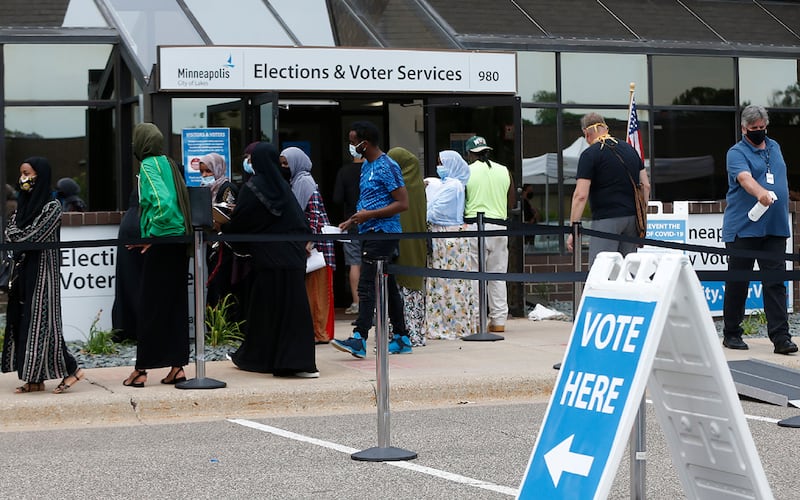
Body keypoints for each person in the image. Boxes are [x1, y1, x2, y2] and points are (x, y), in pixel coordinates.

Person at [219, 142, 318, 377]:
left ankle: (259, 359)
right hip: (292, 259)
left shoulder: (253, 188)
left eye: (252, 160)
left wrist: (223, 224)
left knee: (264, 312)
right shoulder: (284, 187)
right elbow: (299, 223)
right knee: (293, 310)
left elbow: (242, 223)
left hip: (268, 260)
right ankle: (297, 363)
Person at [2, 157, 85, 394]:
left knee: (43, 324)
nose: (23, 179)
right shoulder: (22, 206)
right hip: (23, 270)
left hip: (43, 271)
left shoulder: (52, 206)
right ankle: (35, 378)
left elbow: (32, 236)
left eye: (27, 173)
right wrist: (19, 236)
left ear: (40, 175)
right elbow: (10, 232)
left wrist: (19, 236)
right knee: (23, 322)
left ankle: (73, 370)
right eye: (21, 174)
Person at [331, 121, 411, 357]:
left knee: (366, 285)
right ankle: (402, 336)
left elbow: (402, 203)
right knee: (388, 286)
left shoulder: (387, 166)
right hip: (368, 230)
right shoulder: (367, 165)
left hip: (383, 232)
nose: (351, 146)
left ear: (364, 144)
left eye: (354, 142)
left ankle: (359, 337)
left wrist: (370, 215)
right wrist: (354, 220)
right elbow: (369, 200)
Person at [721, 105, 797, 354]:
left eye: (762, 128)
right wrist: (760, 193)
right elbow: (745, 179)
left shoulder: (775, 147)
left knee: (775, 283)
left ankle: (781, 338)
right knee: (738, 282)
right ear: (744, 129)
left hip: (774, 228)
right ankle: (732, 333)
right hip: (744, 228)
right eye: (754, 129)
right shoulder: (736, 152)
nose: (758, 132)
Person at [123, 123, 192, 388]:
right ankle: (177, 367)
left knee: (150, 307)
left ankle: (141, 371)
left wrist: (154, 236)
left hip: (164, 242)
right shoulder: (169, 163)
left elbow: (163, 203)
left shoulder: (149, 165)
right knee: (174, 305)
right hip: (177, 243)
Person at [566, 113, 650, 264]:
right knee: (627, 272)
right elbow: (646, 186)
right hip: (632, 220)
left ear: (586, 133)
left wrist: (573, 228)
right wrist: (641, 218)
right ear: (605, 128)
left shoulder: (590, 154)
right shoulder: (630, 149)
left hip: (606, 219)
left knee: (601, 270)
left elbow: (580, 195)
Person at [280, 146, 336, 344]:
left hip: (315, 247)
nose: (284, 167)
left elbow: (314, 215)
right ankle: (316, 332)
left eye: (286, 163)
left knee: (317, 292)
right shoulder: (296, 182)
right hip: (309, 244)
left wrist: (309, 242)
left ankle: (320, 333)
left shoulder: (304, 181)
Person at [464, 135, 514, 333]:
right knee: (498, 275)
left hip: (475, 226)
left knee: (476, 277)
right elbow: (510, 202)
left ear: (469, 153)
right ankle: (499, 320)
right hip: (499, 226)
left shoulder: (466, 171)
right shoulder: (504, 171)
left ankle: (478, 320)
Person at [425, 150, 477, 340]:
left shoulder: (454, 186)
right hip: (442, 238)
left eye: (443, 163)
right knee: (442, 283)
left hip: (448, 239)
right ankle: (442, 322)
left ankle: (452, 325)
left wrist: (428, 196)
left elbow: (433, 212)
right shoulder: (447, 184)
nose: (440, 167)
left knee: (450, 284)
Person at [387, 147, 427, 347]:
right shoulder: (419, 185)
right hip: (417, 246)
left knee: (395, 290)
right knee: (414, 291)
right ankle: (415, 333)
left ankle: (397, 333)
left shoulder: (395, 188)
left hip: (398, 244)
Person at [198, 152, 239, 310]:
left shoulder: (227, 188)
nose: (205, 175)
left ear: (218, 169)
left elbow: (229, 217)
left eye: (208, 171)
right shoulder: (206, 191)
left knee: (221, 286)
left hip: (224, 248)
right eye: (202, 172)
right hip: (212, 244)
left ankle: (225, 328)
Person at [333, 149, 363, 315]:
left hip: (350, 221)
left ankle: (356, 302)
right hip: (371, 220)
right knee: (371, 261)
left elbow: (337, 198)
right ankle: (371, 301)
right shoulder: (371, 169)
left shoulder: (344, 172)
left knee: (354, 262)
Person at [110, 189, 143, 343]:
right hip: (142, 225)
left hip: (129, 223)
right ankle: (140, 329)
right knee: (142, 282)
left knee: (127, 279)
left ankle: (123, 327)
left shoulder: (144, 180)